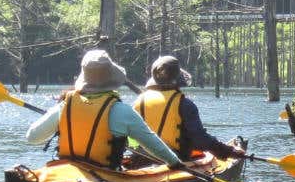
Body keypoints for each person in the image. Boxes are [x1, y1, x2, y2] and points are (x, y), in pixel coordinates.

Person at [25, 49, 185, 170]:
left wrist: (60, 120)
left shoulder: (64, 106)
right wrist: (175, 163)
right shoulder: (121, 111)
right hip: (105, 174)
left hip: (67, 168)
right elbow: (152, 144)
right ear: (112, 79)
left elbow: (32, 137)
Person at [134, 55, 247, 161]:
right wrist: (229, 151)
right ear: (177, 80)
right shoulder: (185, 105)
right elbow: (200, 140)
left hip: (140, 156)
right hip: (173, 160)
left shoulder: (138, 102)